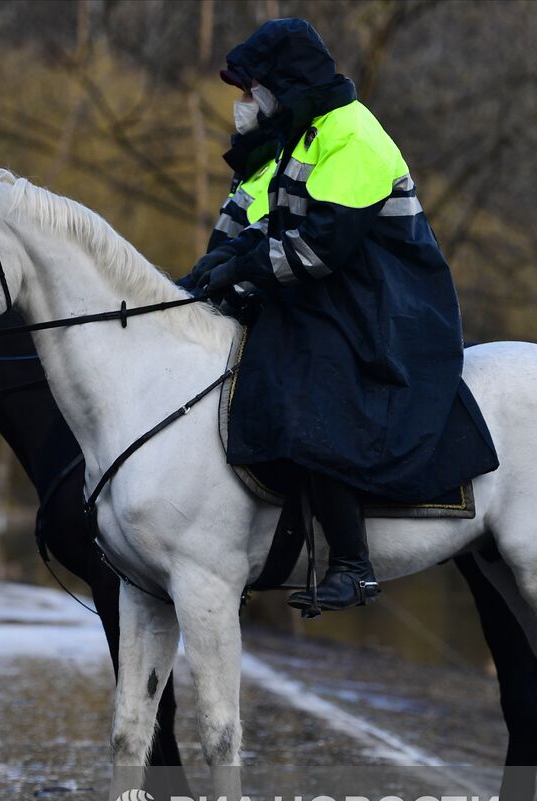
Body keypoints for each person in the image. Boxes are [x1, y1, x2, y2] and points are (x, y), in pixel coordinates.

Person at [182, 18, 498, 613]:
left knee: (306, 384)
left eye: (250, 90)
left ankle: (353, 565)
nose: (242, 103)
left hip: (390, 304)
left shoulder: (351, 138)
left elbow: (317, 248)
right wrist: (214, 269)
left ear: (281, 84)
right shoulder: (307, 134)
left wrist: (238, 271)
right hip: (341, 292)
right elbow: (270, 231)